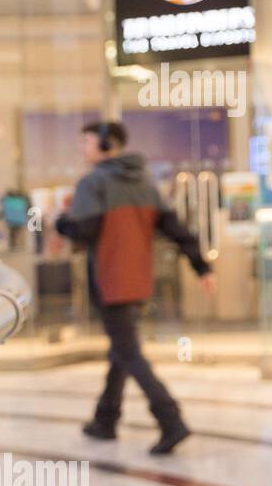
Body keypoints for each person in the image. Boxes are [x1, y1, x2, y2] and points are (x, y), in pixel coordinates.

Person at [56, 121, 215, 455]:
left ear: (104, 143)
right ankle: (105, 419)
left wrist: (60, 220)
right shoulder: (144, 181)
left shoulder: (94, 182)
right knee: (121, 350)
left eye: (85, 143)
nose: (83, 150)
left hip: (109, 280)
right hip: (139, 281)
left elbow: (82, 231)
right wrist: (201, 266)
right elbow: (175, 227)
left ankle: (170, 419)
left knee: (128, 352)